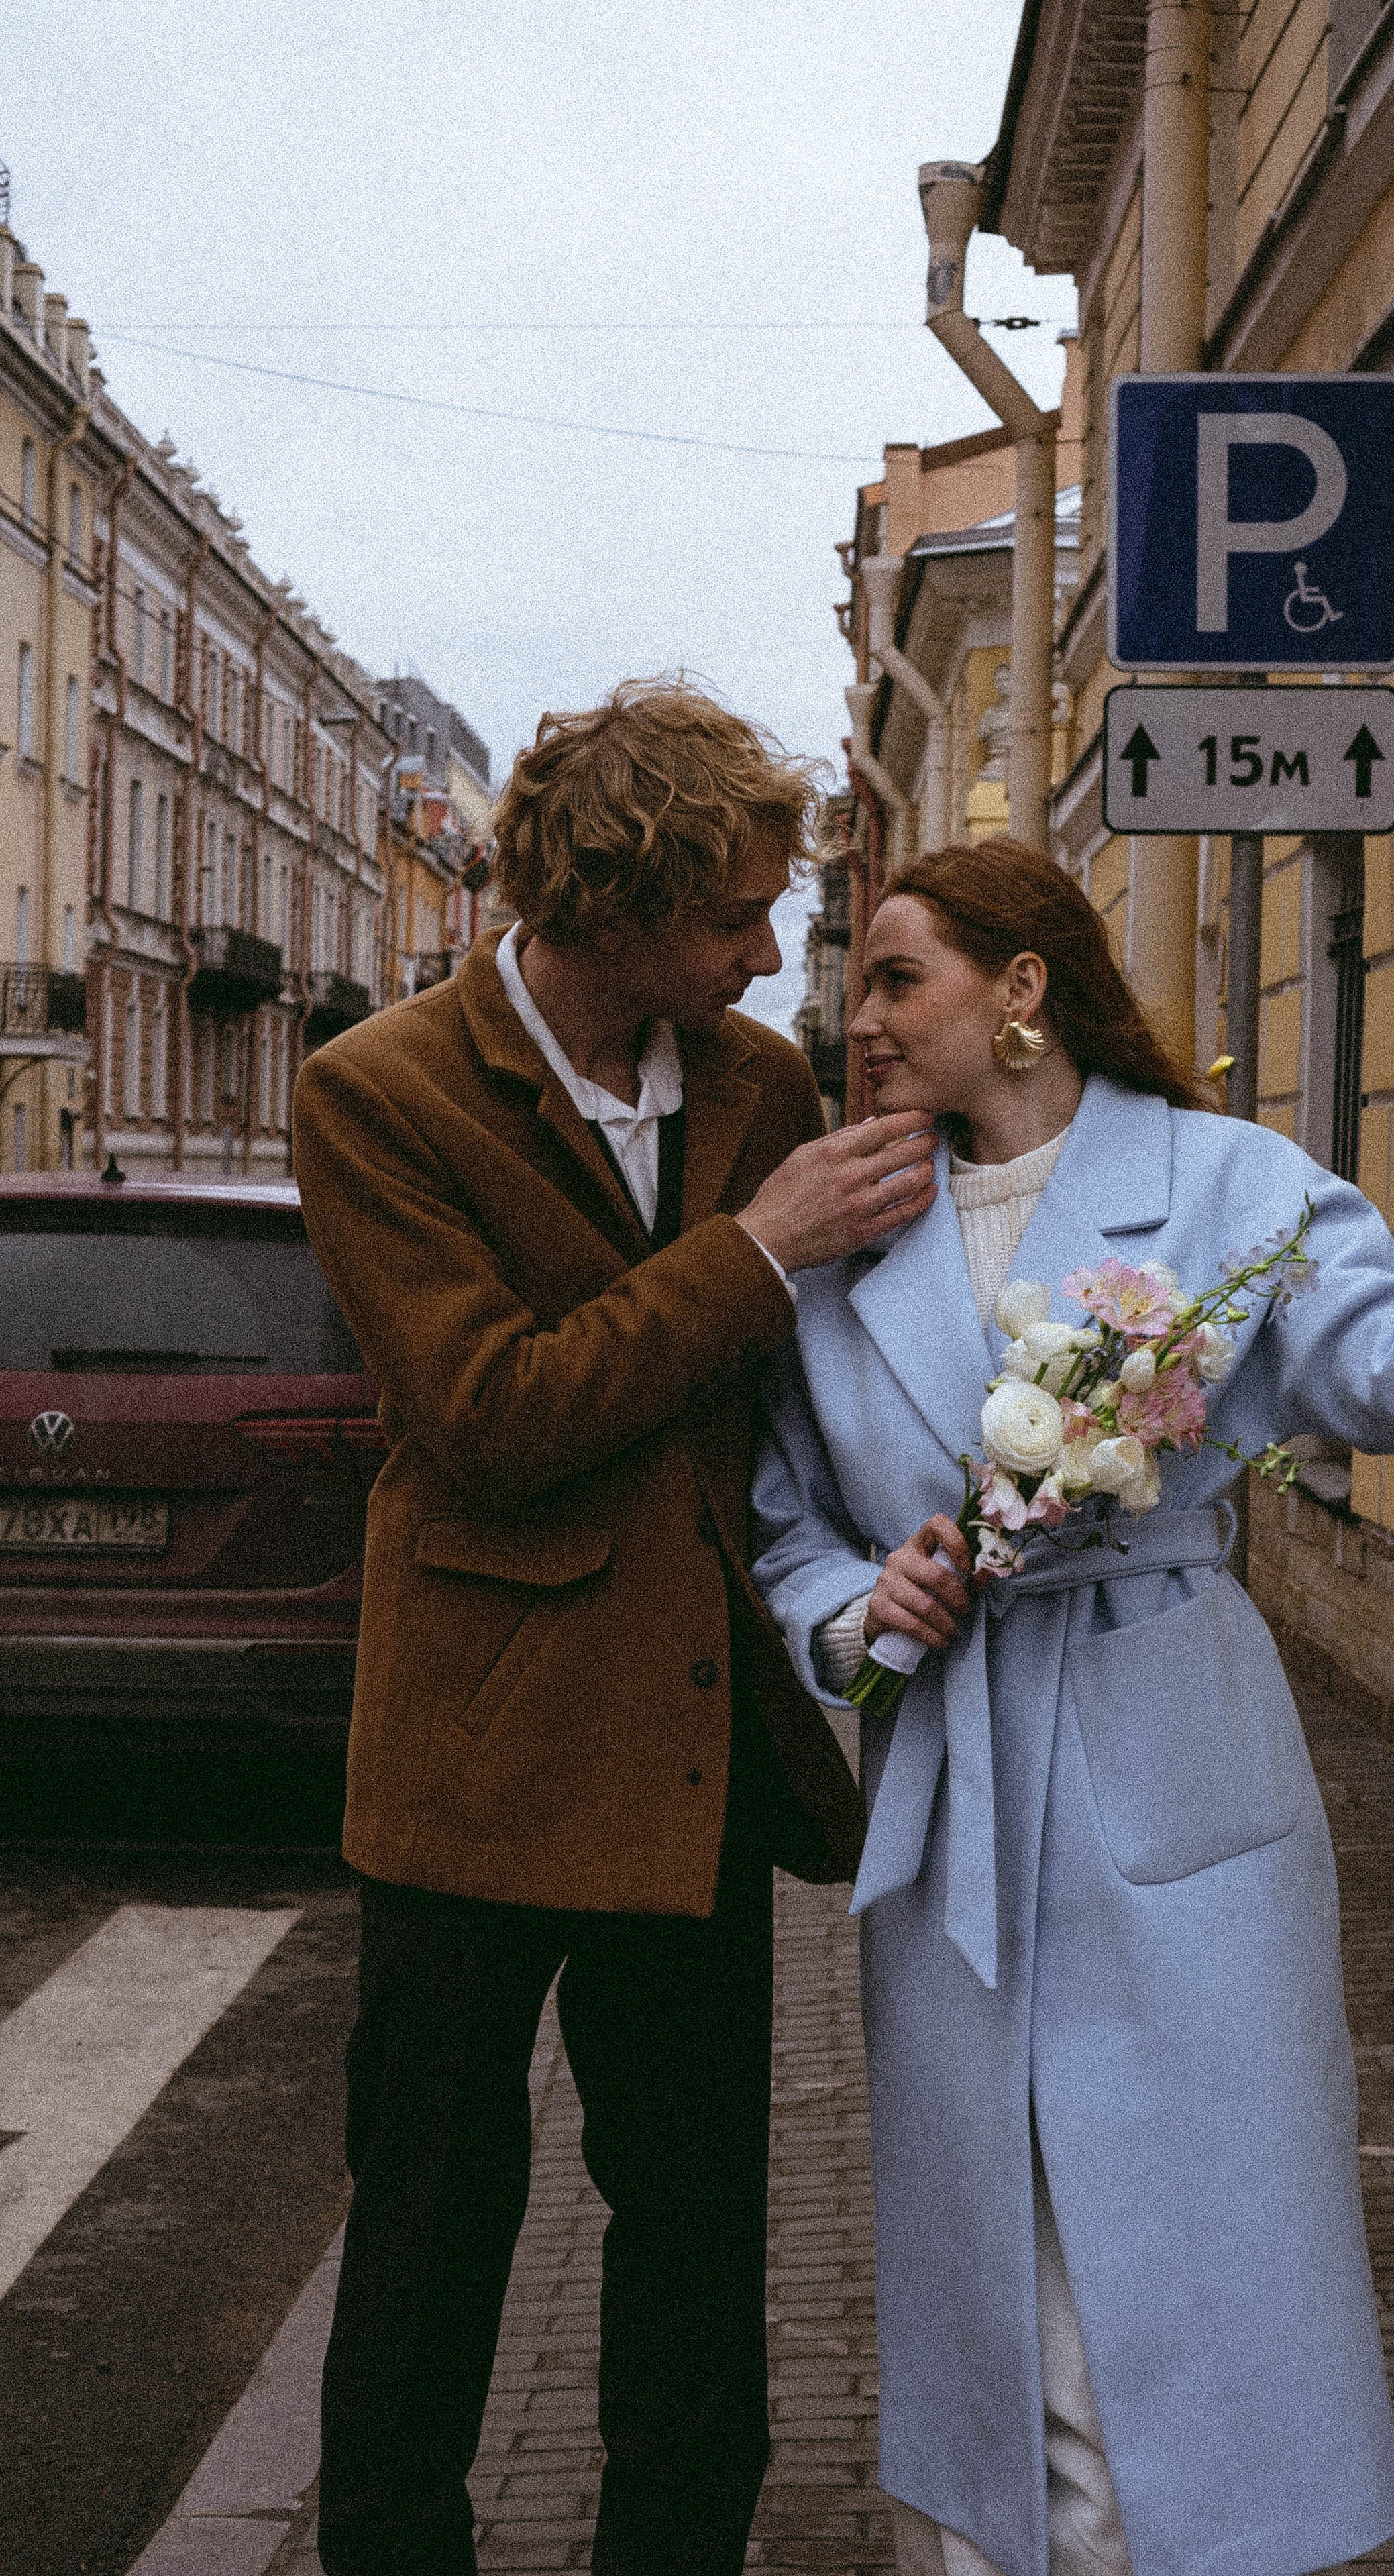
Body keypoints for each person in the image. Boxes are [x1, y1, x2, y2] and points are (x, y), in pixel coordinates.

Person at [750, 837, 1394, 2576]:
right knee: (999, 2316)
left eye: (897, 978)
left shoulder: (1222, 1185)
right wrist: (858, 1612)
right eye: (859, 984)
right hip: (955, 1799)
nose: (858, 1018)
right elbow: (783, 1526)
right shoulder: (841, 1239)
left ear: (1022, 991)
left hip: (1171, 1768)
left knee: (1173, 2292)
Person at [290, 678, 938, 2576]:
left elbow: (827, 1386)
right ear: (624, 903)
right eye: (738, 916)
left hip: (690, 1740)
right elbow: (491, 1416)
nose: (772, 948)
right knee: (427, 2230)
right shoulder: (379, 1091)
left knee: (694, 2243)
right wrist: (753, 1253)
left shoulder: (755, 1085)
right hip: (477, 1751)